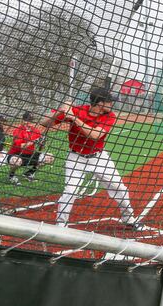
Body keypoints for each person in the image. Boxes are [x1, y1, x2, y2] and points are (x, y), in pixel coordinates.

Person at [46, 88, 144, 230]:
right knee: (70, 191)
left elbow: (95, 135)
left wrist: (73, 117)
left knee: (120, 188)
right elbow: (45, 124)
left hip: (99, 158)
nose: (111, 104)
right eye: (109, 102)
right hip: (76, 158)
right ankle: (61, 225)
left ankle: (129, 219)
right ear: (100, 103)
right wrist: (61, 111)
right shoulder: (77, 110)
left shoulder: (109, 116)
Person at [6, 112, 54, 185]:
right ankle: (11, 175)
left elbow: (41, 148)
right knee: (17, 161)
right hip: (16, 155)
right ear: (22, 120)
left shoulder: (35, 130)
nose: (28, 122)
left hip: (29, 155)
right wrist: (35, 141)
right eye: (27, 120)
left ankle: (29, 173)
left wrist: (42, 142)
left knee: (49, 157)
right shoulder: (18, 130)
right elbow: (21, 146)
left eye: (30, 120)